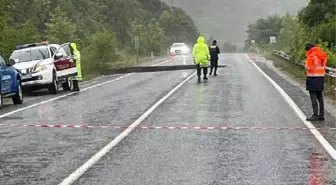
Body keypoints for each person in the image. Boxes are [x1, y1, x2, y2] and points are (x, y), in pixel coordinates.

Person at [304, 43, 327, 121]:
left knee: (313, 96)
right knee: (320, 96)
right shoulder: (322, 54)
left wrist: (306, 65)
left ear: (308, 49)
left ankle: (315, 115)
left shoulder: (311, 56)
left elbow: (308, 68)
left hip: (313, 78)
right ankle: (321, 115)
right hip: (321, 77)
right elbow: (323, 66)